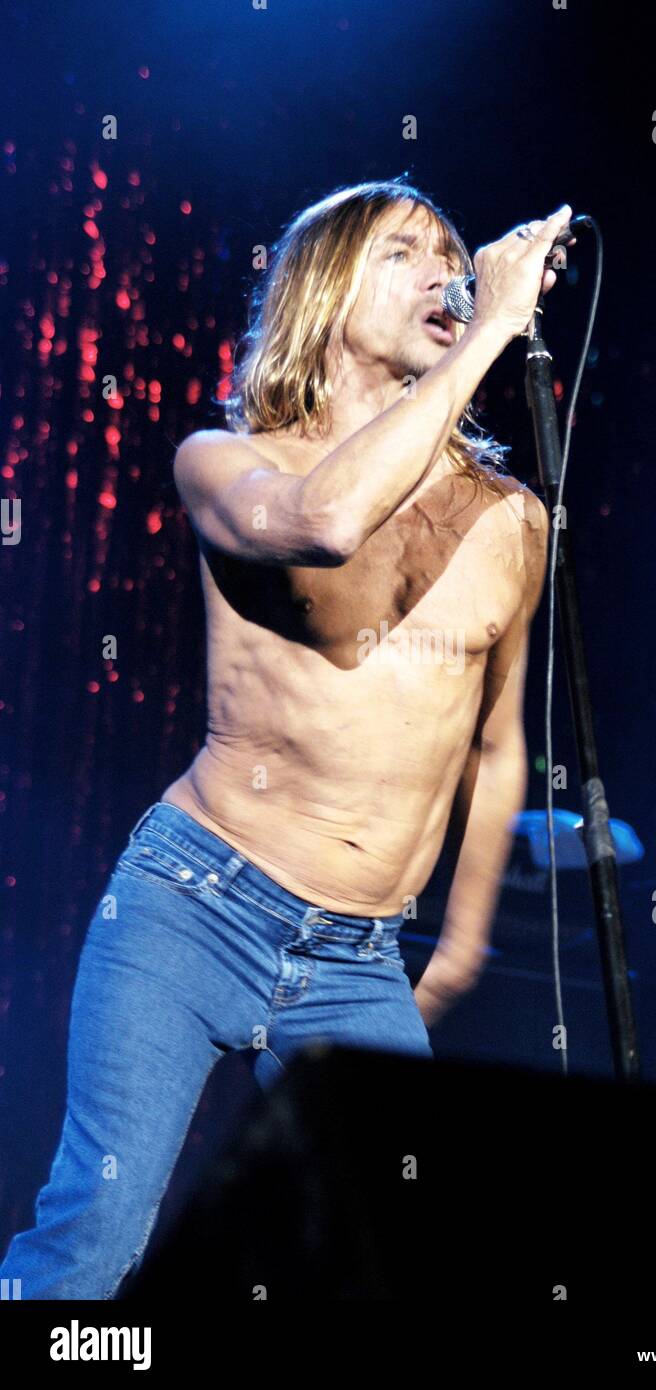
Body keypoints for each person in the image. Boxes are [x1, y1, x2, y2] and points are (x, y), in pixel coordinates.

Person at [0, 179, 571, 1298]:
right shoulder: (228, 462)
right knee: (93, 1238)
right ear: (324, 286)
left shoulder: (510, 518)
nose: (443, 273)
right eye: (406, 251)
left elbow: (499, 745)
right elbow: (326, 523)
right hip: (190, 905)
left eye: (454, 257)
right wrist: (493, 327)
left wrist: (460, 940)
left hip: (358, 962)